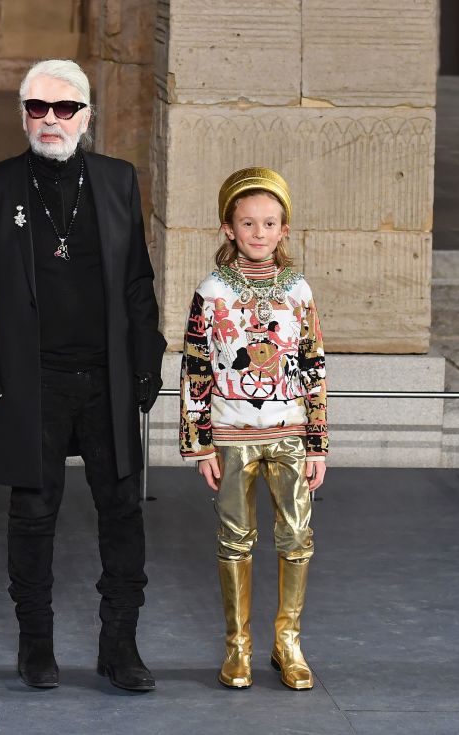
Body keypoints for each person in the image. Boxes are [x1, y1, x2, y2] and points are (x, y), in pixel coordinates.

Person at [0, 59, 166, 691]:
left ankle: (119, 647)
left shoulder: (117, 180)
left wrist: (147, 358)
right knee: (33, 512)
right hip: (31, 379)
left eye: (64, 109)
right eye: (38, 108)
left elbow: (137, 281)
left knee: (123, 510)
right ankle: (35, 646)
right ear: (23, 115)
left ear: (86, 117)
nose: (51, 119)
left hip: (106, 377)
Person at [179, 167, 327, 691]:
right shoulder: (212, 290)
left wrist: (317, 442)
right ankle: (237, 646)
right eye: (248, 223)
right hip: (232, 433)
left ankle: (287, 641)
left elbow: (313, 363)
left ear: (284, 229)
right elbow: (195, 366)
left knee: (296, 536)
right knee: (235, 539)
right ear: (228, 228)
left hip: (288, 432)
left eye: (269, 223)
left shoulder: (299, 291)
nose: (259, 233)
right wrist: (200, 445)